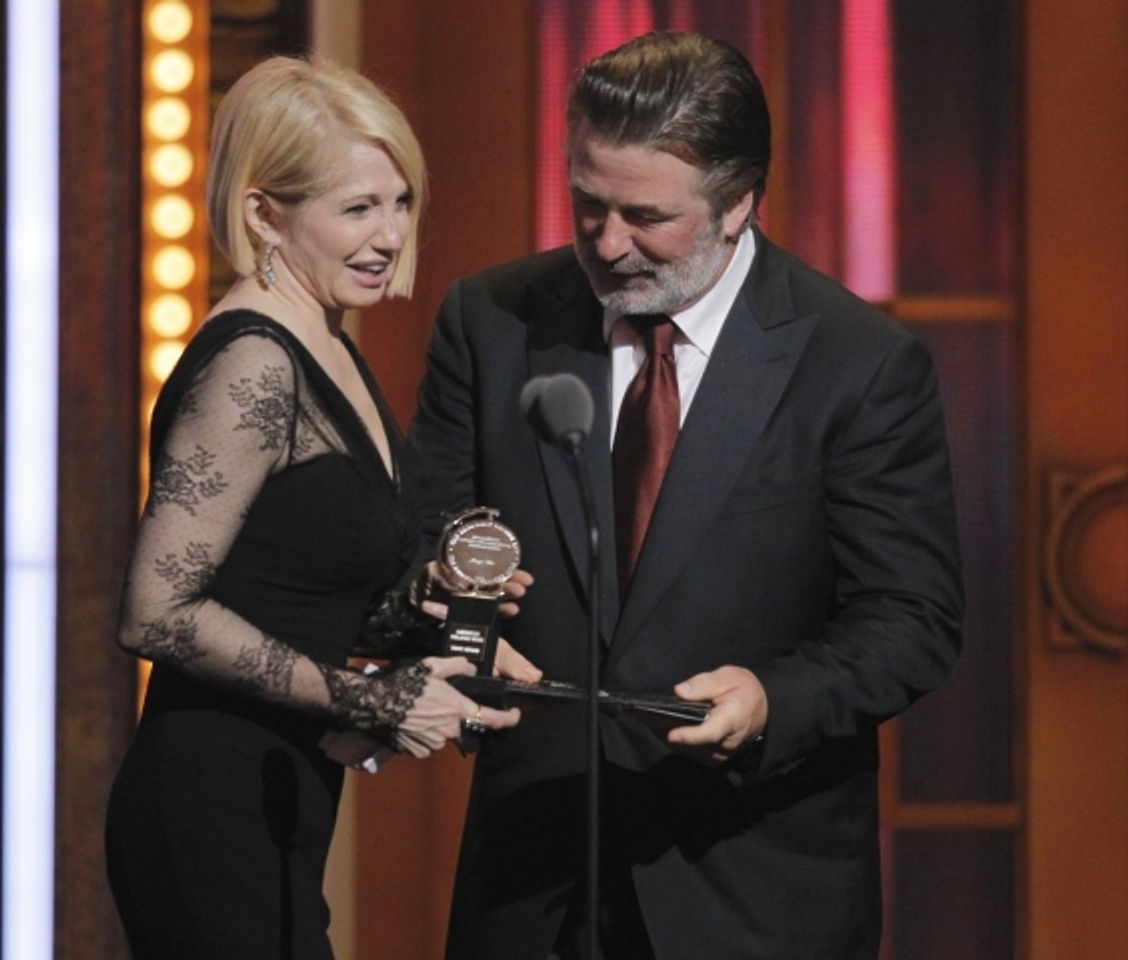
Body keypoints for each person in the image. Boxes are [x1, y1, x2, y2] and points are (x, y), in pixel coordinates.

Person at [408, 32, 964, 960]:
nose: (606, 241)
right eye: (587, 202)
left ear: (741, 202)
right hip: (537, 882)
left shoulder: (859, 364)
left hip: (751, 888)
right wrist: (456, 629)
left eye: (644, 216)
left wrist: (773, 698)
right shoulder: (491, 321)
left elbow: (913, 616)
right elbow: (426, 533)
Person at [105, 56, 522, 960]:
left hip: (282, 793)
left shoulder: (325, 341)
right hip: (206, 799)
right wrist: (370, 698)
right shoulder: (255, 363)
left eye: (399, 202)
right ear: (264, 214)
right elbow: (156, 612)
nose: (387, 234)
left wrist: (436, 618)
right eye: (356, 208)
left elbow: (292, 593)